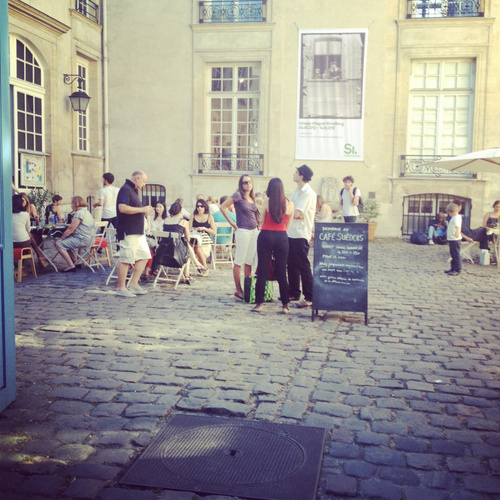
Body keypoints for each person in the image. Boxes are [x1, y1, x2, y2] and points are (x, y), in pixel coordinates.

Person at [251, 178, 294, 315]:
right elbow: (288, 225)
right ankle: (285, 305)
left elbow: (261, 220)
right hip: (282, 236)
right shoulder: (290, 204)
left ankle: (259, 304)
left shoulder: (267, 202)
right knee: (282, 272)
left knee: (262, 269)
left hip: (266, 235)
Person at [115, 171, 154, 297]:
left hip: (138, 232)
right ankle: (121, 288)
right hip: (129, 231)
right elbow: (122, 208)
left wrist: (143, 212)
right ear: (137, 179)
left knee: (144, 256)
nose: (144, 184)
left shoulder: (133, 190)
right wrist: (142, 209)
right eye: (143, 181)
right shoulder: (125, 189)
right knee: (126, 259)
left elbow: (133, 209)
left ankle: (134, 284)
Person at [220, 174, 259, 300]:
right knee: (239, 261)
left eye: (250, 182)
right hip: (243, 231)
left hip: (254, 231)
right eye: (245, 182)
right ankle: (238, 289)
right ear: (241, 184)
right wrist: (231, 223)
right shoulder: (238, 195)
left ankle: (248, 289)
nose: (248, 184)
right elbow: (223, 207)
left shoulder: (252, 197)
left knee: (249, 261)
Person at [287, 165, 316, 308]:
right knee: (291, 264)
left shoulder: (308, 193)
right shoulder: (297, 191)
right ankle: (294, 292)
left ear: (302, 176)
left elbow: (298, 213)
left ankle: (310, 296)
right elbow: (289, 207)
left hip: (300, 233)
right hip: (291, 231)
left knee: (303, 265)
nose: (294, 174)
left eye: (296, 173)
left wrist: (287, 213)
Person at [159, 202, 206, 282]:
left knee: (186, 247)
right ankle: (192, 270)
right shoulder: (183, 221)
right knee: (186, 251)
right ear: (180, 211)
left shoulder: (166, 220)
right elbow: (188, 238)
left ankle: (195, 267)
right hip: (176, 252)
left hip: (164, 250)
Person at [55, 196, 95, 272]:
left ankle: (71, 266)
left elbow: (71, 229)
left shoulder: (79, 213)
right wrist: (63, 225)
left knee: (59, 244)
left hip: (82, 239)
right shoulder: (86, 212)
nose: (71, 205)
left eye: (72, 203)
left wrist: (61, 238)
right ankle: (76, 261)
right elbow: (77, 225)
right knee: (66, 242)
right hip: (90, 239)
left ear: (76, 204)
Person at [12, 195, 48, 268]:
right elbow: (28, 230)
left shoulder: (7, 215)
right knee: (30, 238)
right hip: (23, 242)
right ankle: (38, 256)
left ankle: (38, 256)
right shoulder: (25, 214)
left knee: (30, 237)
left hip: (10, 243)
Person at [189, 198, 216, 275]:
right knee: (188, 247)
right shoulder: (193, 216)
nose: (199, 208)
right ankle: (189, 270)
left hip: (205, 239)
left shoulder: (209, 217)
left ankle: (203, 268)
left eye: (201, 206)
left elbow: (214, 232)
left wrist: (204, 228)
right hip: (194, 237)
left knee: (196, 248)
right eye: (197, 206)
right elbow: (189, 229)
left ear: (205, 207)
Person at [445, 202, 462, 276]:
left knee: (456, 255)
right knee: (453, 254)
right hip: (452, 239)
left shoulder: (456, 218)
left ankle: (457, 269)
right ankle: (453, 268)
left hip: (455, 239)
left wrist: (456, 234)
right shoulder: (455, 217)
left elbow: (458, 227)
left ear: (450, 212)